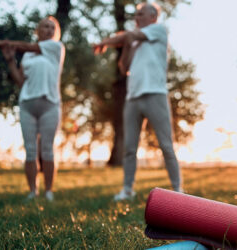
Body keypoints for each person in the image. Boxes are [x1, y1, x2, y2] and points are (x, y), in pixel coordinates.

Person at [93, 2, 183, 201]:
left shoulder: (159, 30)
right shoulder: (133, 39)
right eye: (135, 15)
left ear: (153, 17)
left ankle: (178, 190)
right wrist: (125, 46)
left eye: (141, 14)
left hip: (155, 94)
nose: (137, 18)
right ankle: (127, 190)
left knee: (166, 145)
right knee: (129, 148)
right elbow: (124, 67)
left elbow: (130, 34)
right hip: (133, 98)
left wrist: (105, 43)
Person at [0, 16, 65, 202]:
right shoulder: (28, 55)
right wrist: (10, 61)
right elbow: (20, 81)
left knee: (47, 150)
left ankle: (49, 192)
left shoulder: (56, 48)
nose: (49, 30)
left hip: (50, 104)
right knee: (31, 150)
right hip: (27, 104)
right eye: (45, 27)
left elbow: (26, 46)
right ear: (38, 30)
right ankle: (33, 191)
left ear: (56, 32)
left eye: (52, 27)